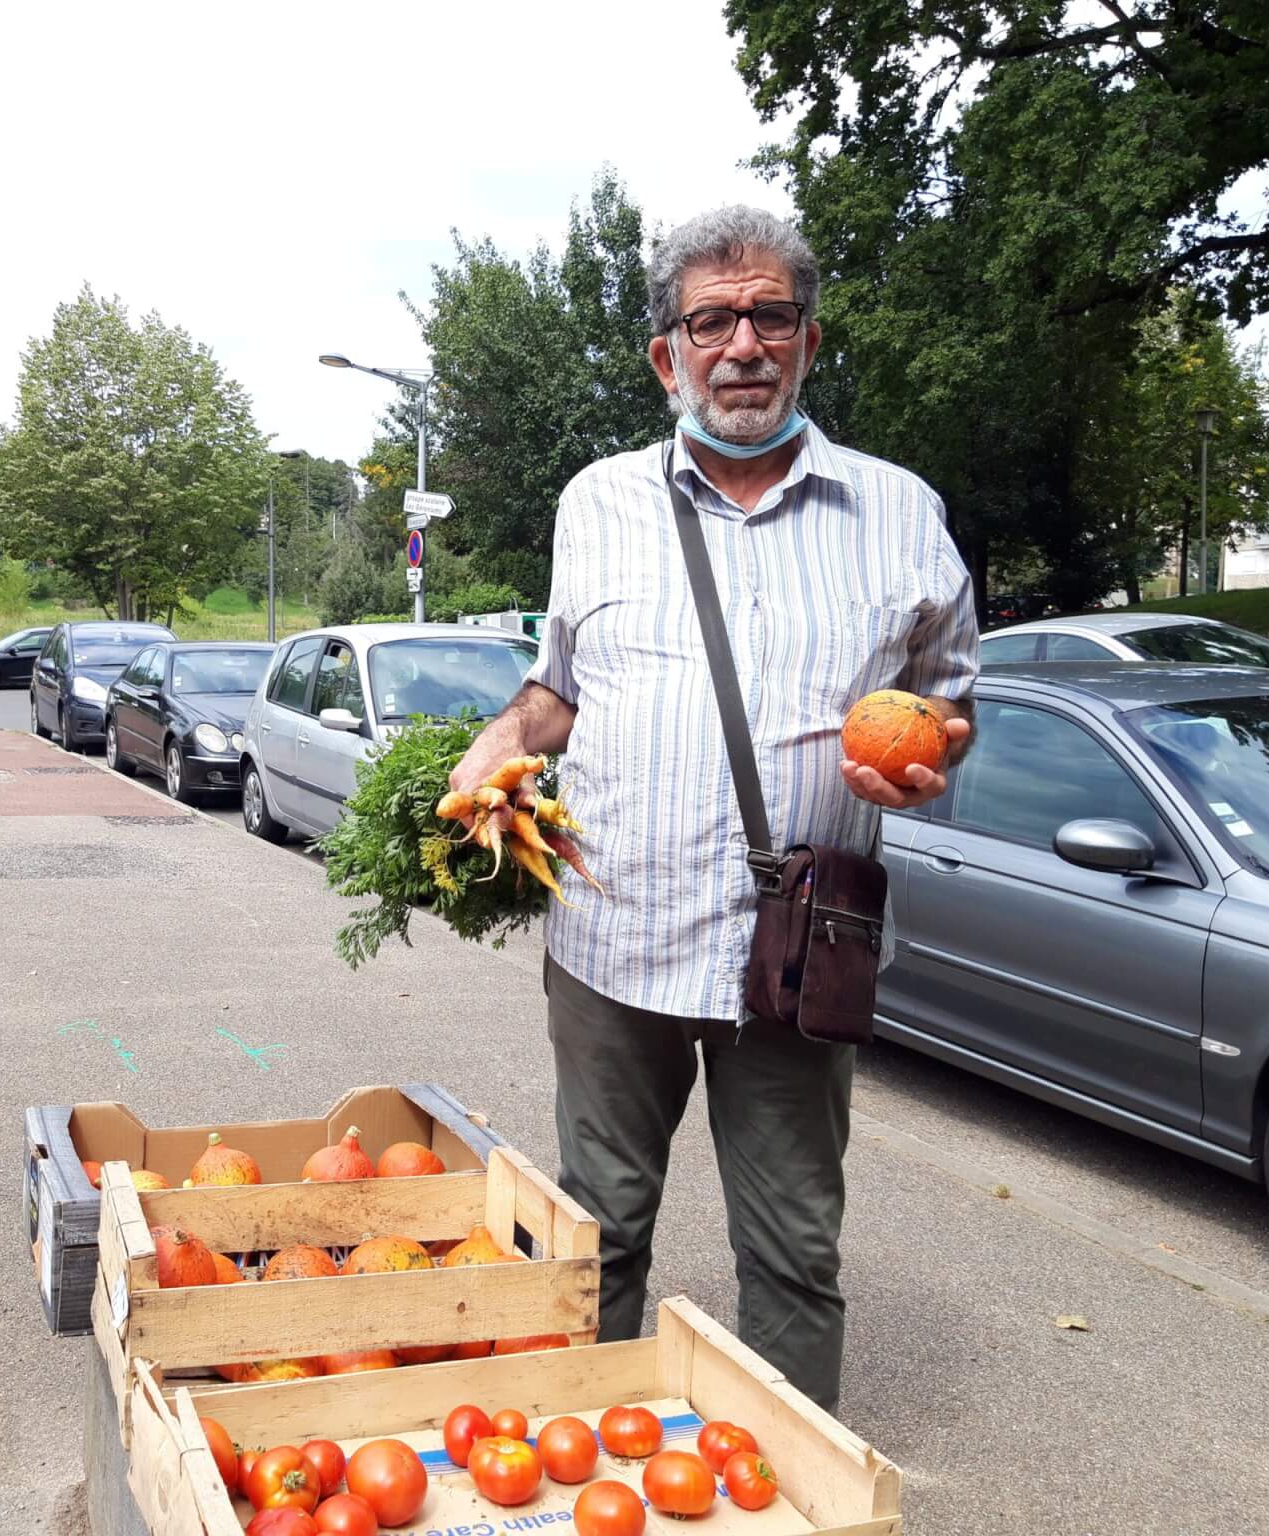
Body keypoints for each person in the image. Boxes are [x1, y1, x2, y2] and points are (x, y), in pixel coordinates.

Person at [448, 205, 980, 1413]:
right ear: (666, 354)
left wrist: (924, 760)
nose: (741, 344)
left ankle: (781, 1483)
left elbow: (946, 708)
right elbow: (558, 690)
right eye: (710, 320)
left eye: (768, 315)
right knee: (593, 1238)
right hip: (612, 937)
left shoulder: (898, 513)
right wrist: (501, 736)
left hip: (789, 956)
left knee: (793, 1255)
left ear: (805, 337)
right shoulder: (596, 503)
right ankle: (575, 1466)